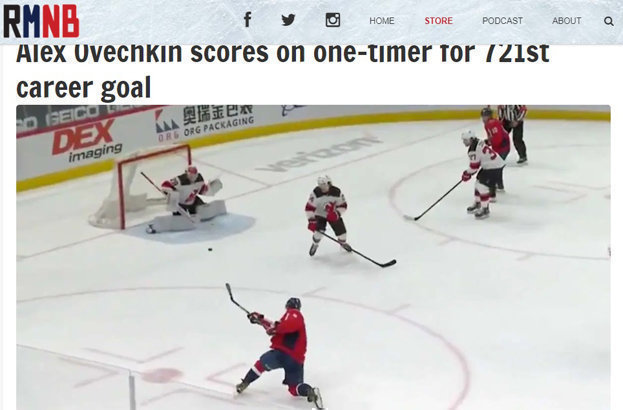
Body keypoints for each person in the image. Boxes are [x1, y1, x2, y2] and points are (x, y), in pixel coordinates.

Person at [236, 298, 324, 409]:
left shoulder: (294, 314)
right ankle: (309, 391)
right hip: (296, 359)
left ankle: (245, 382)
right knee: (294, 389)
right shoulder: (287, 318)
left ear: (287, 306)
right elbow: (276, 325)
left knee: (260, 365)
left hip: (282, 354)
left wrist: (274, 328)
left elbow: (284, 326)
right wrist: (260, 318)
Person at [146, 165, 225, 233]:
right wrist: (170, 193)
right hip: (181, 204)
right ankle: (160, 225)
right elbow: (165, 184)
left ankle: (195, 212)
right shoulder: (179, 180)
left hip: (194, 201)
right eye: (190, 175)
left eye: (194, 175)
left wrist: (211, 188)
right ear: (186, 173)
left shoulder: (199, 179)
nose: (193, 177)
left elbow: (202, 190)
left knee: (202, 212)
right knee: (179, 220)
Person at [461, 130, 506, 219]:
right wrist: (468, 173)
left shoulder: (473, 150)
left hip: (493, 167)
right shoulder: (478, 141)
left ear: (471, 139)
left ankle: (485, 209)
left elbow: (474, 167)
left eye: (465, 140)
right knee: (477, 183)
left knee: (482, 186)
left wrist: (466, 174)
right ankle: (478, 203)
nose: (464, 142)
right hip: (492, 164)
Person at [305, 175, 351, 256]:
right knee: (319, 233)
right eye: (320, 185)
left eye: (324, 185)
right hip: (319, 214)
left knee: (342, 233)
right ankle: (315, 244)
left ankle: (343, 243)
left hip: (332, 214)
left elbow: (343, 205)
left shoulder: (337, 192)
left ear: (329, 183)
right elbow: (309, 208)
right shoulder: (315, 193)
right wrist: (311, 220)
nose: (322, 187)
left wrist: (337, 214)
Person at [481, 106, 510, 196]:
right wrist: (488, 142)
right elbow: (492, 137)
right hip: (499, 148)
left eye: (485, 116)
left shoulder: (492, 124)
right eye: (483, 116)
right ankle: (498, 185)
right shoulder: (488, 124)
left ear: (489, 116)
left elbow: (498, 139)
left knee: (496, 166)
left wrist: (490, 142)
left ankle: (497, 185)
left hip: (503, 148)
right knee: (496, 166)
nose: (483, 118)